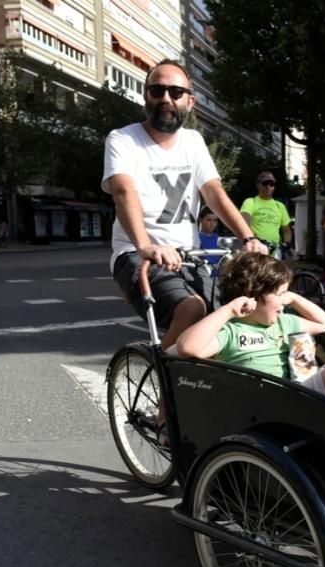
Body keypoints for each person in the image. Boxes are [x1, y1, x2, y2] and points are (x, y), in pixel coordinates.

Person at [103, 59, 264, 350]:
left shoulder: (193, 141)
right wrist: (145, 246)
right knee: (192, 309)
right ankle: (166, 387)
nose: (166, 98)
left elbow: (214, 192)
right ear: (146, 95)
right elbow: (123, 191)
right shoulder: (123, 139)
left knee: (229, 315)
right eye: (158, 90)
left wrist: (248, 237)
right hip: (137, 255)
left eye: (176, 92)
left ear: (190, 101)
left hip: (189, 255)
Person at [176, 252, 325, 413]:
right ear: (253, 296)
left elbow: (324, 323)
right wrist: (229, 309)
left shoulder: (283, 322)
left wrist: (293, 297)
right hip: (270, 403)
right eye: (280, 294)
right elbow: (187, 347)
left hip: (295, 391)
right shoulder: (231, 330)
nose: (284, 301)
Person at [240, 171, 291, 257]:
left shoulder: (280, 206)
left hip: (275, 250)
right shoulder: (250, 202)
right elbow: (244, 221)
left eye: (271, 184)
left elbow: (286, 230)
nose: (268, 186)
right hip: (256, 248)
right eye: (265, 183)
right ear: (258, 185)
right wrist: (253, 238)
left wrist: (286, 244)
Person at [197, 207, 221, 275]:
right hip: (203, 273)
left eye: (215, 220)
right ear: (200, 220)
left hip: (218, 275)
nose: (212, 223)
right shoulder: (196, 237)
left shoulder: (219, 238)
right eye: (209, 220)